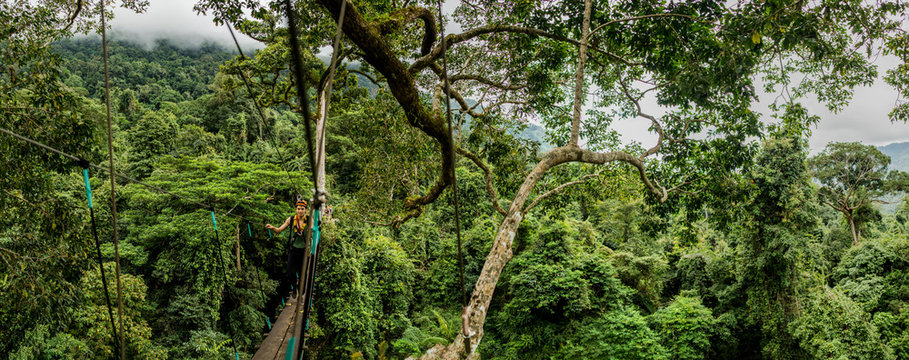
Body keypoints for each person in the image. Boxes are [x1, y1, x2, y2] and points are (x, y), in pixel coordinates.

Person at [265, 196, 309, 297]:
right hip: (293, 250)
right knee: (290, 272)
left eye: (302, 209)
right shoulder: (291, 219)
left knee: (303, 273)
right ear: (296, 209)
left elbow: (315, 230)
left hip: (304, 251)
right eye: (298, 209)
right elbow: (279, 230)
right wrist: (272, 228)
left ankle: (300, 288)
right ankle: (294, 287)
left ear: (305, 210)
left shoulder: (309, 221)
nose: (300, 211)